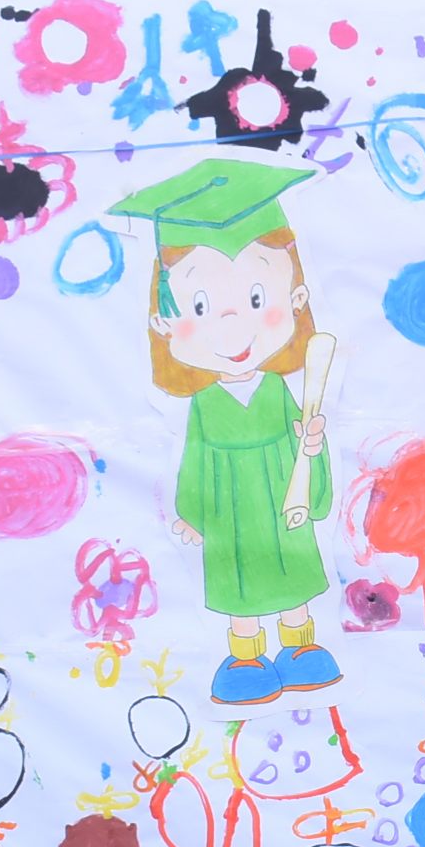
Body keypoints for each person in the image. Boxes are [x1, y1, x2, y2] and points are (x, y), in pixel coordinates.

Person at [111, 154, 341, 708]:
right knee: (242, 588)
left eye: (257, 299)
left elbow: (303, 444)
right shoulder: (206, 407)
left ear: (296, 300)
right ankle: (246, 658)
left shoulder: (282, 391)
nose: (232, 326)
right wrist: (192, 514)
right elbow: (195, 463)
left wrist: (312, 463)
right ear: (165, 323)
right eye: (201, 305)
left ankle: (301, 650)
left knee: (293, 579)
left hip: (281, 506)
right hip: (233, 517)